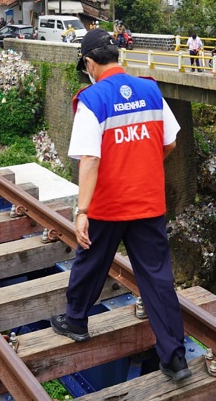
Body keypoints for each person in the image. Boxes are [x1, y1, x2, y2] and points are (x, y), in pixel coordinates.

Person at [49, 28, 191, 382]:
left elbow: (90, 159)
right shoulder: (150, 90)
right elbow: (170, 141)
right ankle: (175, 358)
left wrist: (81, 212)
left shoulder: (92, 99)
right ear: (118, 56)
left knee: (91, 262)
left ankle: (76, 321)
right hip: (147, 202)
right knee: (157, 277)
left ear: (89, 63)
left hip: (109, 205)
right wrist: (142, 164)